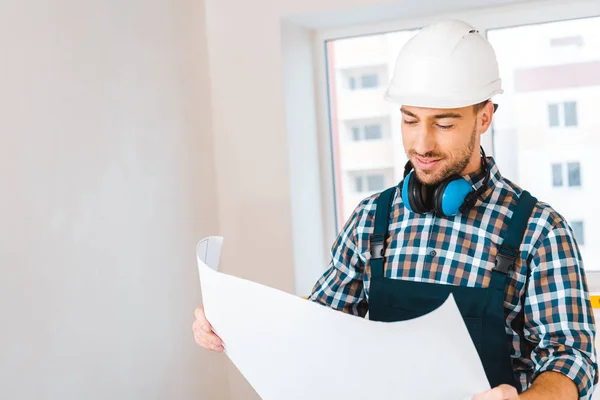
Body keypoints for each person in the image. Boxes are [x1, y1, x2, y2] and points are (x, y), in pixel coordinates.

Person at [192, 19, 598, 400]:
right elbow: (316, 329)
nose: (421, 144)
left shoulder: (539, 230)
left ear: (485, 117)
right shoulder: (372, 218)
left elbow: (572, 357)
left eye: (444, 123)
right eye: (409, 120)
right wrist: (234, 323)